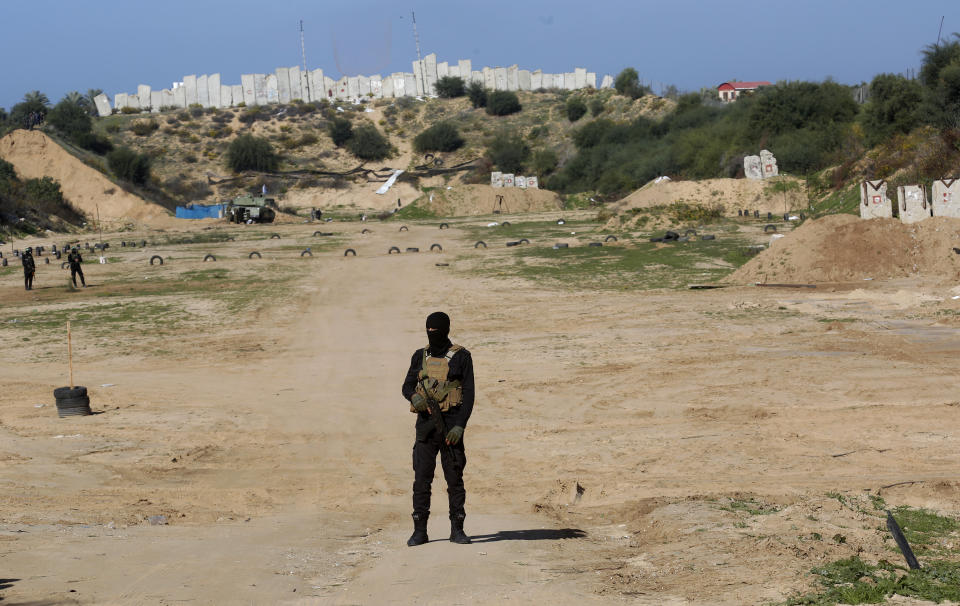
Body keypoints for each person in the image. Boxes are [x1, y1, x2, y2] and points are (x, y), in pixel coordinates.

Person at [401, 311, 475, 546]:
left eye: (436, 331)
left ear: (446, 330)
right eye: (429, 331)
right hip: (425, 429)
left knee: (454, 480)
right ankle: (419, 531)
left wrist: (460, 427)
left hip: (451, 429)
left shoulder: (462, 357)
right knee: (421, 480)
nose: (432, 335)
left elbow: (470, 394)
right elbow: (406, 386)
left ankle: (457, 529)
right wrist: (414, 397)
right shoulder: (419, 356)